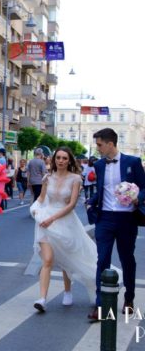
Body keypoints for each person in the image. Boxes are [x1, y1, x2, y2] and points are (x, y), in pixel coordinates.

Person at [30, 146, 100, 312]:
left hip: (65, 221)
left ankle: (68, 291)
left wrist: (52, 219)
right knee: (47, 260)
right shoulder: (47, 177)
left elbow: (72, 205)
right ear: (54, 159)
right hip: (45, 222)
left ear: (69, 161)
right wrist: (34, 208)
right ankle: (42, 299)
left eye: (64, 158)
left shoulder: (75, 179)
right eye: (58, 157)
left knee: (66, 260)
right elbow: (41, 198)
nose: (61, 161)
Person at [86, 128, 145, 321]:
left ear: (110, 143)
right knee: (102, 259)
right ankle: (100, 305)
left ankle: (129, 298)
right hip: (105, 218)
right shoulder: (99, 165)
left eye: (99, 145)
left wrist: (137, 198)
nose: (98, 148)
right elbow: (102, 189)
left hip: (127, 219)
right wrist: (91, 201)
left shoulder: (133, 162)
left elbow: (144, 187)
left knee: (127, 259)